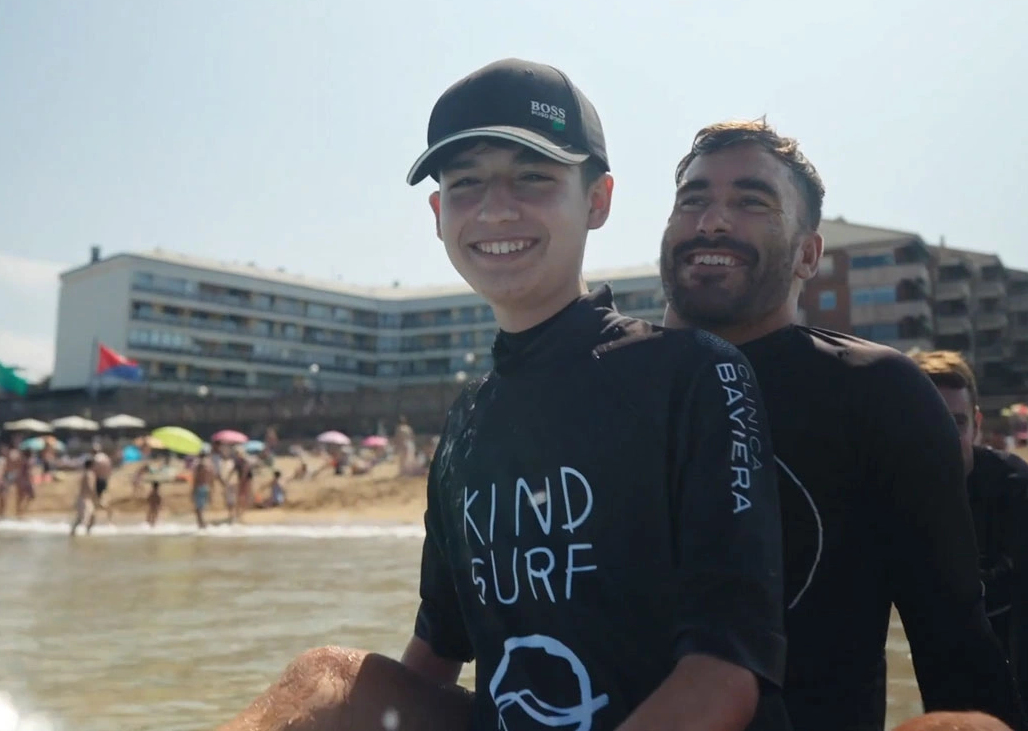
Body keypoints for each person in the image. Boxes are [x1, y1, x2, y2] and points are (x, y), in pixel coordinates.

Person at [220, 58, 791, 731]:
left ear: (598, 200)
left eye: (533, 177)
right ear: (439, 215)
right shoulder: (468, 423)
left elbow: (725, 675)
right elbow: (434, 656)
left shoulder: (694, 375)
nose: (495, 208)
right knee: (326, 681)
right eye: (466, 183)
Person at [659, 118, 1027, 731]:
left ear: (808, 254)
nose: (712, 221)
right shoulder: (611, 382)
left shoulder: (876, 391)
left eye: (751, 201)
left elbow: (955, 642)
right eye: (692, 201)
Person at [910, 350, 1028, 731]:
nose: (943, 439)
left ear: (976, 426)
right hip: (956, 633)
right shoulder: (891, 500)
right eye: (927, 423)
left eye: (956, 423)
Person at [70, 458, 99, 537]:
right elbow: (90, 486)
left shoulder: (87, 473)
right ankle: (83, 534)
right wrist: (96, 496)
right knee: (85, 517)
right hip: (85, 499)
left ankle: (77, 532)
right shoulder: (89, 474)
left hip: (86, 499)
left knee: (88, 516)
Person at [192, 455, 214, 529]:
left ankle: (201, 524)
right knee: (201, 508)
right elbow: (211, 479)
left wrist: (192, 491)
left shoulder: (199, 467)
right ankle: (202, 524)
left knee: (198, 509)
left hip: (199, 488)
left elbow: (196, 480)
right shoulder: (208, 467)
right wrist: (211, 490)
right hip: (206, 488)